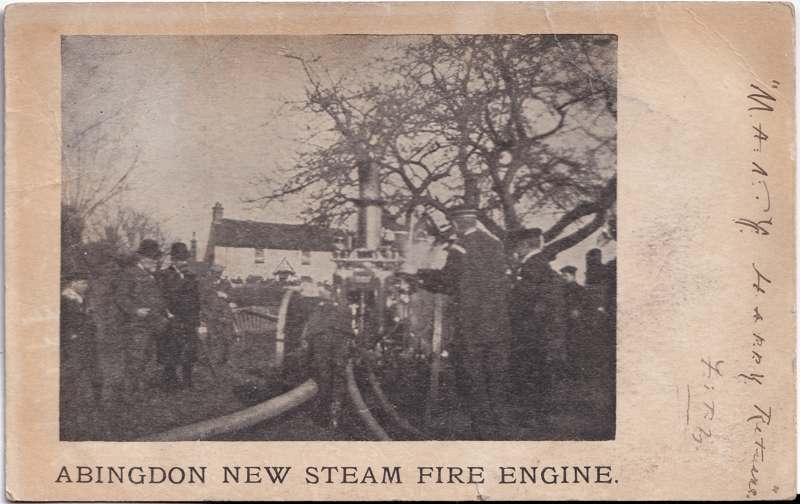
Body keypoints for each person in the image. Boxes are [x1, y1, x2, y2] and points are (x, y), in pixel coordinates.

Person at [411, 205, 512, 440]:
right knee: (496, 381)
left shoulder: (461, 246)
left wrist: (420, 275)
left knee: (474, 380)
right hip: (497, 325)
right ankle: (503, 431)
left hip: (471, 325)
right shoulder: (496, 244)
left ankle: (483, 432)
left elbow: (449, 281)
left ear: (456, 225)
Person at [507, 228, 566, 424]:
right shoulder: (541, 264)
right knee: (536, 371)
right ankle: (538, 414)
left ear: (524, 245)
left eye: (516, 246)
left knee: (528, 370)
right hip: (540, 329)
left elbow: (525, 299)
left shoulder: (532, 266)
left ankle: (530, 416)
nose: (515, 251)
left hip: (529, 329)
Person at [113, 239, 169, 399]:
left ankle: (142, 391)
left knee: (148, 357)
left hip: (152, 322)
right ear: (141, 258)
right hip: (137, 324)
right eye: (152, 258)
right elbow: (121, 297)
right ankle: (128, 394)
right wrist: (135, 311)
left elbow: (156, 298)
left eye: (155, 258)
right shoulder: (129, 273)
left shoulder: (150, 275)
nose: (154, 262)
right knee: (135, 358)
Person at [60, 262, 102, 440]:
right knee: (75, 373)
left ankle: (94, 402)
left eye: (86, 282)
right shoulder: (66, 300)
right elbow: (65, 324)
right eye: (82, 282)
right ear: (72, 284)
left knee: (94, 372)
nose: (86, 285)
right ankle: (70, 404)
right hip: (76, 344)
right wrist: (72, 336)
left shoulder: (81, 300)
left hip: (87, 342)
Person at [159, 242, 201, 389]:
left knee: (190, 351)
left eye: (184, 259)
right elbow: (166, 295)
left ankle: (188, 381)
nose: (183, 262)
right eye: (179, 259)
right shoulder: (164, 275)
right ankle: (170, 381)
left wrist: (197, 319)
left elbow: (197, 298)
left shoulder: (191, 276)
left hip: (189, 319)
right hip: (173, 318)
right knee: (171, 350)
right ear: (173, 260)